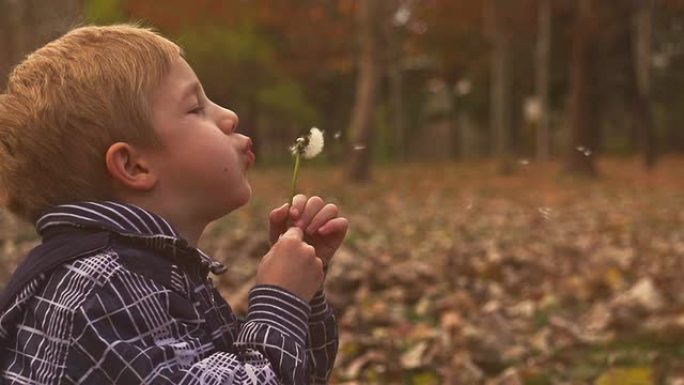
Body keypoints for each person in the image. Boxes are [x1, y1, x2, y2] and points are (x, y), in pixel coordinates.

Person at [0, 24, 348, 385]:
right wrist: (280, 299)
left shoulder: (143, 272)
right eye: (196, 107)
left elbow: (301, 375)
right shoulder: (101, 289)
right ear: (134, 166)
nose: (229, 116)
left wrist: (302, 293)